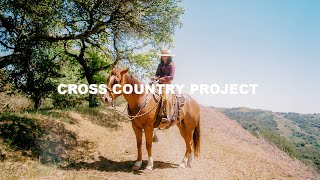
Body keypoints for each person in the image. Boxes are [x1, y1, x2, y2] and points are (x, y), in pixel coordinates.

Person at [151, 49, 176, 125]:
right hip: (159, 83)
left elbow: (171, 77)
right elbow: (157, 74)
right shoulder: (160, 65)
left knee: (165, 97)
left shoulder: (171, 64)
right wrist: (154, 77)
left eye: (165, 56)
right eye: (162, 55)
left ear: (168, 57)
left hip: (167, 84)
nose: (163, 57)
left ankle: (166, 114)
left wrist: (162, 78)